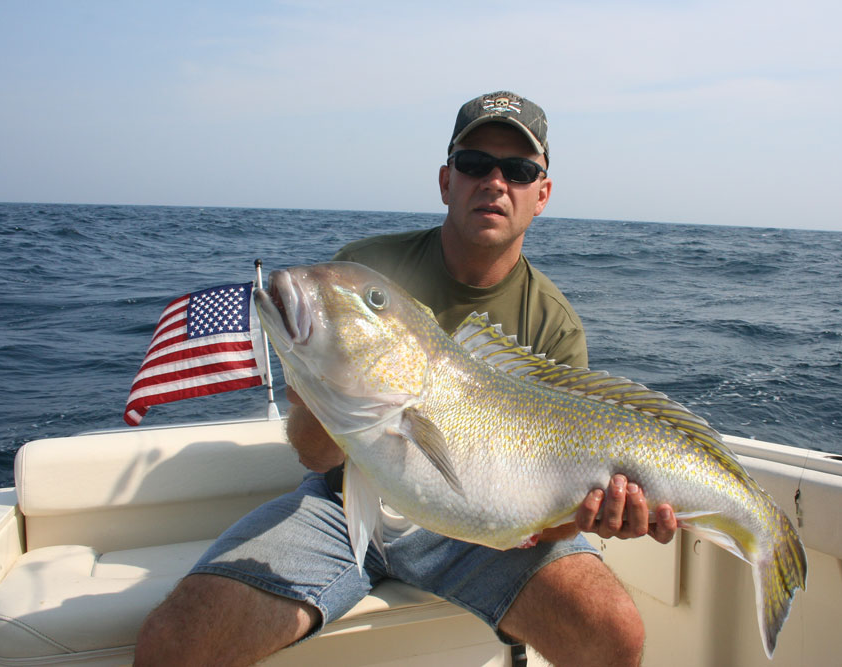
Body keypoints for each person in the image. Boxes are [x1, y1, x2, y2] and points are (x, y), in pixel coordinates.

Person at [135, 91, 678, 666]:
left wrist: (585, 517)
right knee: (174, 643)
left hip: (481, 532)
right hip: (344, 502)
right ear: (446, 181)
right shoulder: (363, 270)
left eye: (518, 170)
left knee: (615, 634)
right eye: (474, 164)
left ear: (541, 195)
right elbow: (313, 455)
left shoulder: (554, 324)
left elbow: (548, 512)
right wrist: (324, 398)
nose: (494, 182)